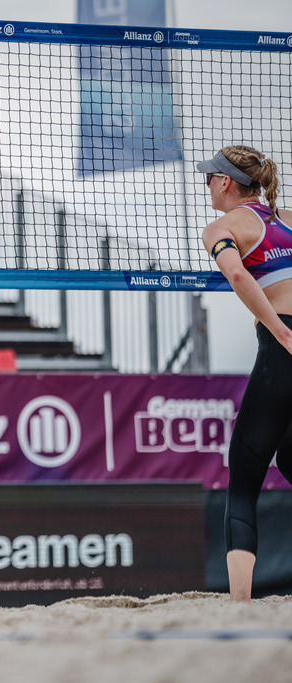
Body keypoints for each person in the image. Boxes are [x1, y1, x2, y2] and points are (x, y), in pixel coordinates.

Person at [198, 145, 292, 602]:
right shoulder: (289, 218)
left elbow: (237, 276)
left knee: (243, 482)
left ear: (226, 182)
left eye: (210, 178)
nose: (207, 186)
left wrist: (278, 329)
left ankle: (239, 607)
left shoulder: (222, 226)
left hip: (285, 345)